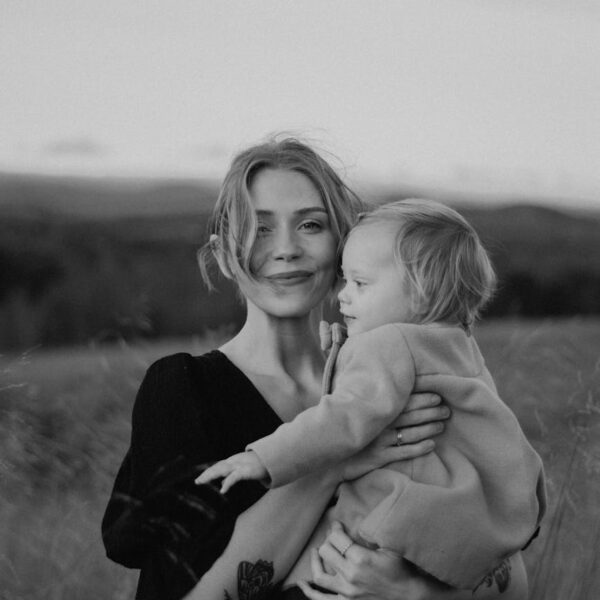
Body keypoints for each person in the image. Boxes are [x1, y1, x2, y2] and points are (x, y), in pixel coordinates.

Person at [101, 137, 452, 600]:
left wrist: (414, 594)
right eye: (260, 228)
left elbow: (506, 568)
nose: (286, 249)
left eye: (310, 224)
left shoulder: (397, 375)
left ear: (344, 245)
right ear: (224, 252)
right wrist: (329, 461)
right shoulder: (185, 390)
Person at [197, 198, 547, 598]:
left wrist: (264, 457)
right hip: (445, 519)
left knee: (306, 575)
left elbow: (343, 418)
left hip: (381, 518)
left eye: (360, 284)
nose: (344, 296)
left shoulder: (389, 343)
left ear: (420, 294)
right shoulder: (458, 344)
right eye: (346, 280)